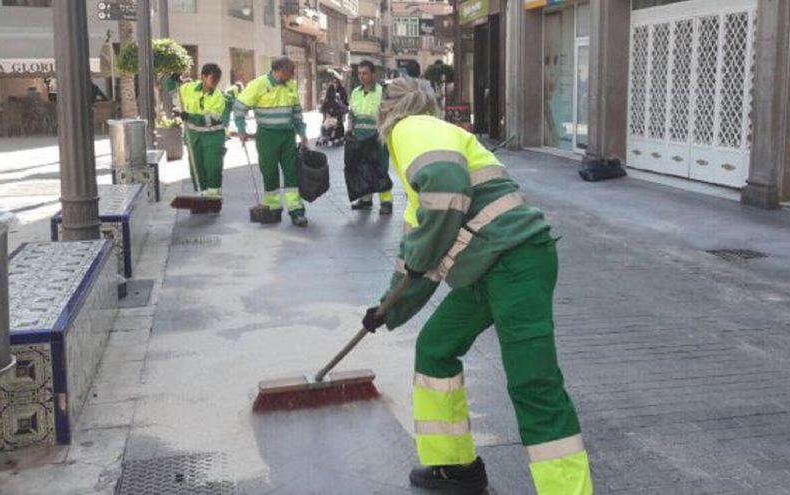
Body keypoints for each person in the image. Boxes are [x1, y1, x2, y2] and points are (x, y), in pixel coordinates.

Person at [361, 77, 593, 494]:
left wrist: (421, 256)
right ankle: (454, 466)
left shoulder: (411, 129)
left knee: (532, 382)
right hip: (486, 269)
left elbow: (445, 190)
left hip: (517, 263)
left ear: (386, 111)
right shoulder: (427, 136)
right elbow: (419, 252)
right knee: (436, 347)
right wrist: (386, 310)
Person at [233, 56, 310, 226]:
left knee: (291, 173)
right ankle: (273, 209)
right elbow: (239, 108)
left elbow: (297, 113)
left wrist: (302, 133)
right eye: (291, 70)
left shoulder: (290, 85)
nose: (293, 74)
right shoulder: (258, 85)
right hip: (266, 136)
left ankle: (296, 211)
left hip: (287, 135)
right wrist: (241, 129)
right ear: (282, 70)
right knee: (269, 172)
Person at [176, 63, 229, 198]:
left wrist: (190, 116)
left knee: (212, 167)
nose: (216, 82)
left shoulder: (218, 97)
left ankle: (214, 197)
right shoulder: (189, 88)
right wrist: (173, 80)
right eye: (213, 78)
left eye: (218, 79)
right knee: (196, 168)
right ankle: (201, 195)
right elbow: (174, 91)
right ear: (203, 77)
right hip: (193, 136)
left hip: (213, 137)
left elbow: (210, 119)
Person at [346, 60, 393, 213]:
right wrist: (349, 130)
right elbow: (352, 114)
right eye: (359, 73)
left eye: (365, 73)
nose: (361, 76)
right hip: (360, 137)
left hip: (377, 137)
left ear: (373, 74)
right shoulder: (355, 92)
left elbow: (388, 114)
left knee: (380, 168)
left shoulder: (382, 92)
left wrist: (382, 133)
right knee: (362, 168)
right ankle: (365, 200)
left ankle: (386, 202)